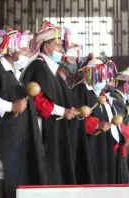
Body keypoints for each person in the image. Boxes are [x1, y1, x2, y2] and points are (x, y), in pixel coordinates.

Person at [21, 21, 86, 185]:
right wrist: (62, 111)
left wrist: (72, 110)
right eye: (57, 46)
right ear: (46, 48)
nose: (61, 50)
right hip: (42, 129)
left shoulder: (52, 70)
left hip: (55, 128)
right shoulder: (37, 67)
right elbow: (37, 101)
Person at [0, 26, 45, 198]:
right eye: (24, 49)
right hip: (3, 136)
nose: (27, 53)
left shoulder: (17, 73)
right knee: (4, 179)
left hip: (16, 138)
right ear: (10, 49)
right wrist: (11, 106)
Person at [72, 55, 125, 184]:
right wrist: (96, 125)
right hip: (88, 145)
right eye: (101, 75)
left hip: (102, 145)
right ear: (91, 74)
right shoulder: (80, 91)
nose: (105, 79)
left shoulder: (101, 95)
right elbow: (75, 117)